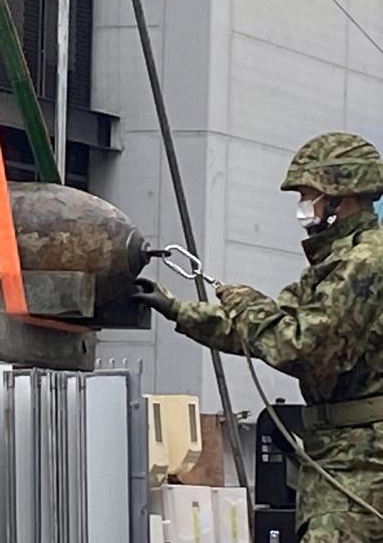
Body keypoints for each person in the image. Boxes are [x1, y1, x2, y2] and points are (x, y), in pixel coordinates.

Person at [134, 131, 383, 541]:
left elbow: (299, 346)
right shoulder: (336, 263)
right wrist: (178, 310)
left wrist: (246, 302)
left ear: (341, 196)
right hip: (339, 454)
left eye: (310, 195)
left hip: (362, 463)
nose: (305, 208)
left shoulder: (364, 263)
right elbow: (268, 329)